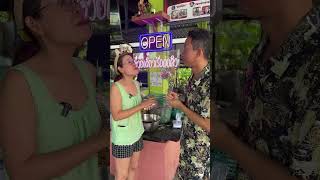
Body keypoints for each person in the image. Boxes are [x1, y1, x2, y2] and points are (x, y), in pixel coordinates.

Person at [0, 0, 108, 179]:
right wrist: (98, 141)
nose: (76, 7)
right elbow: (21, 172)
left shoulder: (86, 71)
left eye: (74, 1)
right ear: (35, 24)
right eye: (62, 2)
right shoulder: (19, 82)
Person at [213, 0, 320, 179]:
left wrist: (227, 142)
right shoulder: (259, 53)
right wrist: (223, 131)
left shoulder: (314, 66)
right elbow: (258, 138)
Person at [166, 29, 211, 180]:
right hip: (186, 150)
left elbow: (208, 125)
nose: (182, 52)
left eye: (185, 48)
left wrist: (180, 106)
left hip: (199, 156)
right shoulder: (193, 76)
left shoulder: (208, 82)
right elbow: (193, 101)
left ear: (198, 52)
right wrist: (180, 98)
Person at [110, 44, 157, 180]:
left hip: (137, 131)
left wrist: (144, 106)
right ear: (120, 69)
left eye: (133, 61)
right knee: (122, 175)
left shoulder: (136, 84)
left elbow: (136, 107)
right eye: (129, 62)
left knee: (133, 167)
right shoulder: (116, 88)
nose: (133, 63)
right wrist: (141, 105)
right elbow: (117, 115)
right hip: (123, 137)